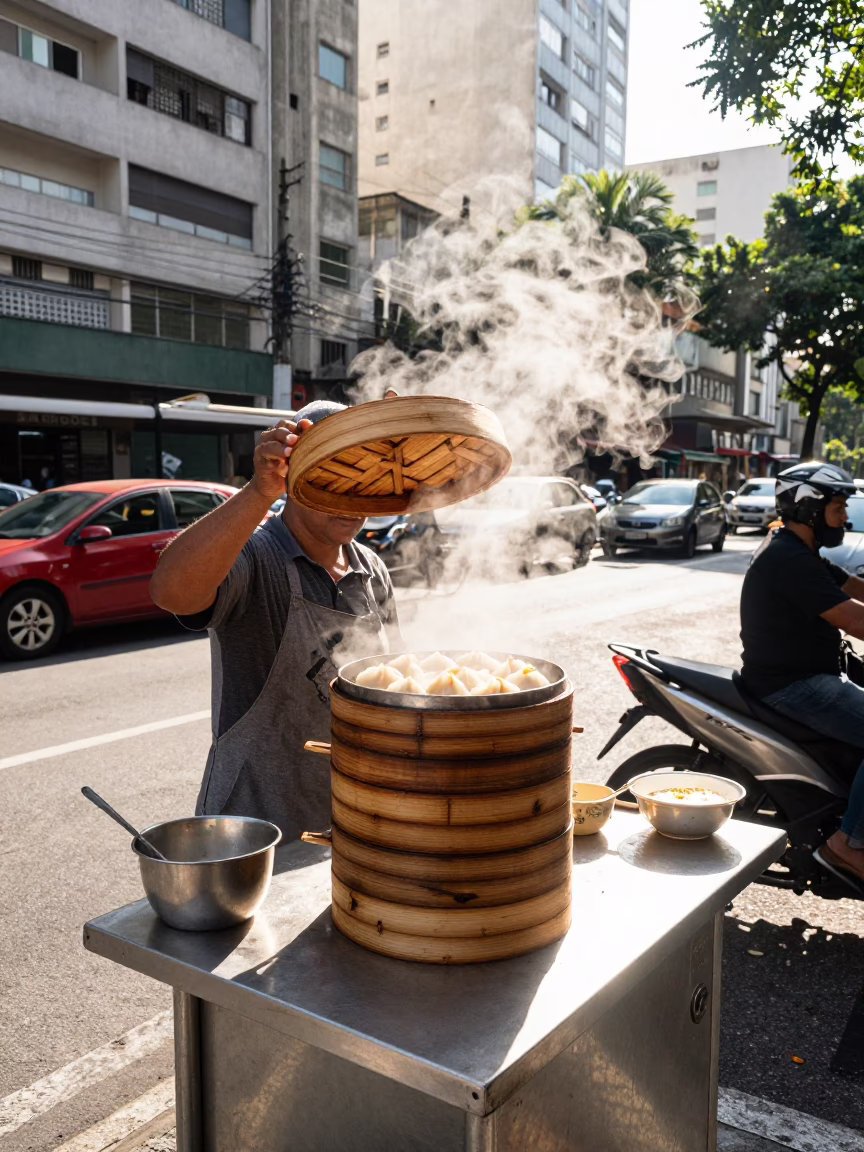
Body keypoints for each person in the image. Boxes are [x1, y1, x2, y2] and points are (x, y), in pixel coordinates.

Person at [149, 400, 401, 841]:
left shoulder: (371, 569)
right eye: (331, 479)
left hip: (350, 815)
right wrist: (258, 492)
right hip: (253, 830)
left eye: (362, 483)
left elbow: (393, 691)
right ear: (296, 478)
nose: (350, 500)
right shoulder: (257, 557)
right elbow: (171, 591)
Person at [739, 461, 864, 886]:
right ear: (810, 506)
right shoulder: (787, 559)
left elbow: (854, 588)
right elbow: (857, 620)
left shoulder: (801, 553)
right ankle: (848, 843)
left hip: (806, 677)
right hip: (793, 686)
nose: (844, 516)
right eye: (838, 506)